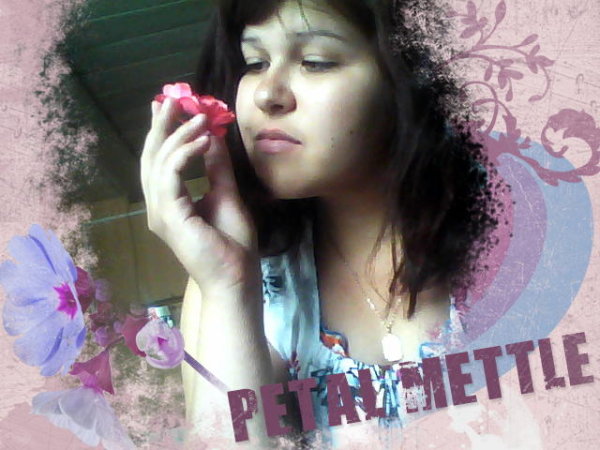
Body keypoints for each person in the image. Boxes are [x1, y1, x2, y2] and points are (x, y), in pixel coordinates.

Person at [141, 0, 496, 447]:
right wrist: (227, 287)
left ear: (414, 77)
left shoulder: (522, 239)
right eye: (255, 62)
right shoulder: (240, 287)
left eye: (315, 61)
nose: (266, 94)